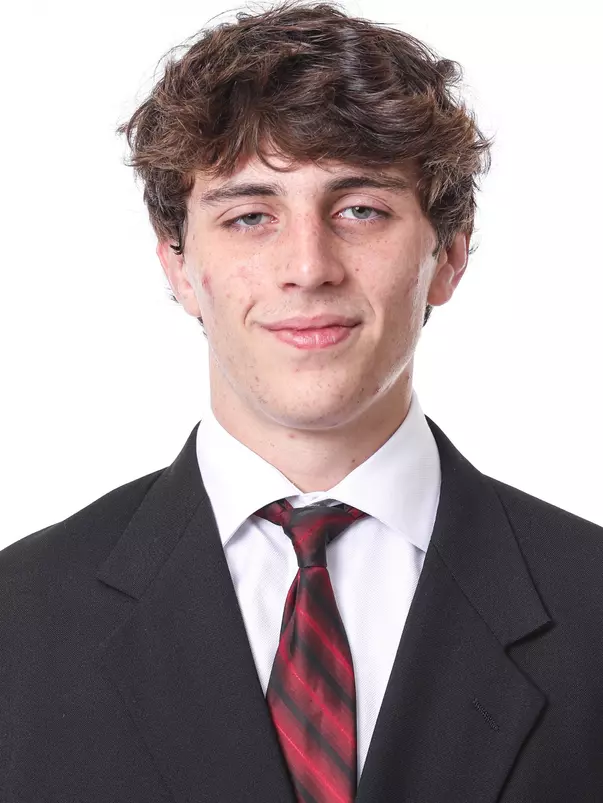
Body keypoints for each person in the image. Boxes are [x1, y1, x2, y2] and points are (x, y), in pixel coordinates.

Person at [2, 1, 603, 801]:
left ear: (449, 255)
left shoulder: (591, 602)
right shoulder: (19, 617)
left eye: (360, 209)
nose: (309, 266)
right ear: (178, 265)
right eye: (250, 216)